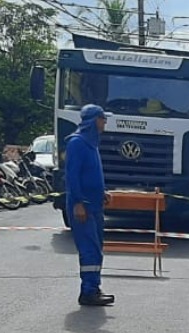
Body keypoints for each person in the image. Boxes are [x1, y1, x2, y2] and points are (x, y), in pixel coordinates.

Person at [64, 104, 114, 306]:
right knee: (89, 249)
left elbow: (90, 174)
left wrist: (101, 193)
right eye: (103, 118)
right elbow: (72, 176)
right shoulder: (77, 143)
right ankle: (88, 292)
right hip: (83, 206)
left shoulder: (91, 143)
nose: (105, 122)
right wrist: (78, 203)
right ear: (94, 120)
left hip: (94, 205)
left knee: (96, 247)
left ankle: (94, 287)